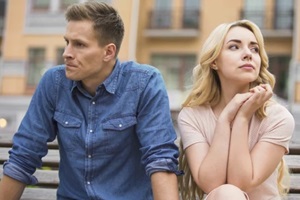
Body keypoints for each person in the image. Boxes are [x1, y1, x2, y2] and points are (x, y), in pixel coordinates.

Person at [0, 1, 182, 199]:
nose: (66, 53)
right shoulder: (54, 82)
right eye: (67, 42)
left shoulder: (144, 83)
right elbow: (24, 156)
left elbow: (160, 159)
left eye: (79, 45)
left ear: (109, 52)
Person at [177, 19, 295, 200]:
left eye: (254, 49)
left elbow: (241, 183)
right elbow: (211, 183)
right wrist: (225, 119)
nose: (248, 54)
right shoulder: (192, 116)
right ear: (214, 61)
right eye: (234, 47)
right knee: (226, 193)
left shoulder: (278, 118)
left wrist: (242, 118)